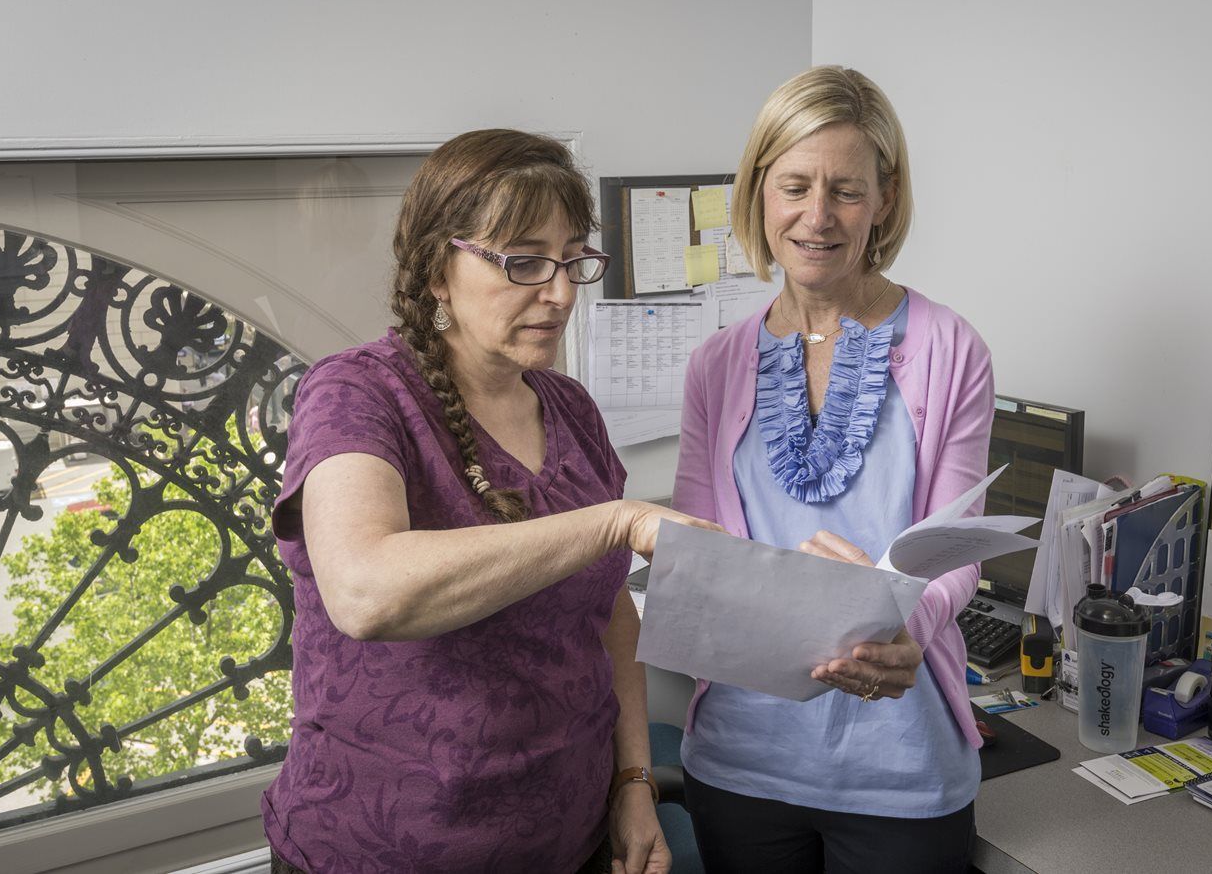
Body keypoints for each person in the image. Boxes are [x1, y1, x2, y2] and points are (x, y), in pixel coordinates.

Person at [262, 129, 717, 874]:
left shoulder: (570, 410)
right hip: (380, 852)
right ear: (439, 270)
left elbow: (610, 615)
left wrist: (633, 781)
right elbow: (365, 592)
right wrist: (612, 521)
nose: (562, 292)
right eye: (525, 261)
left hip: (567, 841)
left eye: (572, 260)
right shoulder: (357, 394)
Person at [672, 67, 995, 873]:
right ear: (759, 194)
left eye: (846, 190)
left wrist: (903, 629)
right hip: (741, 763)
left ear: (884, 199)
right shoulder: (716, 364)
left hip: (902, 769)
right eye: (794, 186)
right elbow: (695, 541)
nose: (817, 217)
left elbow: (955, 556)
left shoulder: (952, 349)